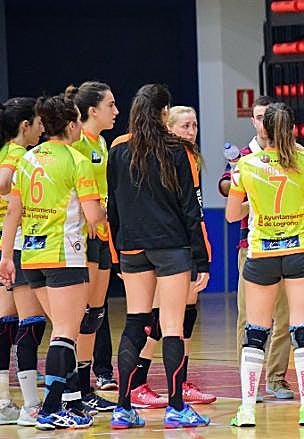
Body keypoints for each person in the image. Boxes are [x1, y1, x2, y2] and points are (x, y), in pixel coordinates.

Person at [227, 102, 304, 427]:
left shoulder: (245, 165)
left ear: (263, 129)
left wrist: (255, 203)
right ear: (292, 129)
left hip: (261, 254)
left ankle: (246, 410)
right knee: (303, 327)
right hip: (300, 253)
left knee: (256, 330)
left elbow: (232, 215)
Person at [0, 94, 106, 430]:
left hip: (30, 256)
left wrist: (6, 256)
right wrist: (107, 210)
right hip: (64, 255)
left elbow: (13, 213)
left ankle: (70, 403)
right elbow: (93, 217)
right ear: (72, 125)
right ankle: (49, 409)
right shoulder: (77, 160)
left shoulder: (28, 159)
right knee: (65, 331)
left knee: (63, 329)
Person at [107, 84, 210, 429]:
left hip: (131, 247)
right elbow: (191, 210)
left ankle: (123, 408)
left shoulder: (118, 149)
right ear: (165, 112)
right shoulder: (178, 150)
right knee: (172, 326)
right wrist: (202, 260)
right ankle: (176, 407)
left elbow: (112, 206)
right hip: (171, 248)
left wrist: (117, 254)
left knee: (135, 323)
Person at [128, 105, 216, 408]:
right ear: (169, 128)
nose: (191, 132)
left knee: (186, 313)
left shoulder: (191, 157)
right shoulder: (164, 157)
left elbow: (196, 209)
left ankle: (181, 381)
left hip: (185, 245)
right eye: (184, 126)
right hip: (164, 247)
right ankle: (137, 382)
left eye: (194, 125)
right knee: (158, 318)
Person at [219, 95, 295, 401]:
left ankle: (276, 378)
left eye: (269, 117)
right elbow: (225, 186)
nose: (264, 123)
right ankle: (248, 380)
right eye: (259, 117)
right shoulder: (243, 157)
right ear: (252, 121)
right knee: (249, 316)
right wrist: (240, 181)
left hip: (287, 243)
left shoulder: (290, 155)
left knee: (284, 317)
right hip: (250, 245)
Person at [65, 81, 119, 413]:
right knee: (79, 314)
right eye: (110, 105)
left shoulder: (101, 142)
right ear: (91, 110)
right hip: (81, 238)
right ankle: (70, 388)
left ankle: (85, 388)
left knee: (95, 315)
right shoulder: (78, 144)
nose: (116, 111)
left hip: (102, 234)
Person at [0, 97, 45, 426]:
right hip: (17, 242)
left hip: (6, 242)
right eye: (38, 123)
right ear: (25, 125)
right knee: (30, 321)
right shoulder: (18, 154)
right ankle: (31, 405)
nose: (42, 129)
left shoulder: (6, 150)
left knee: (6, 321)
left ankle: (4, 401)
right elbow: (4, 182)